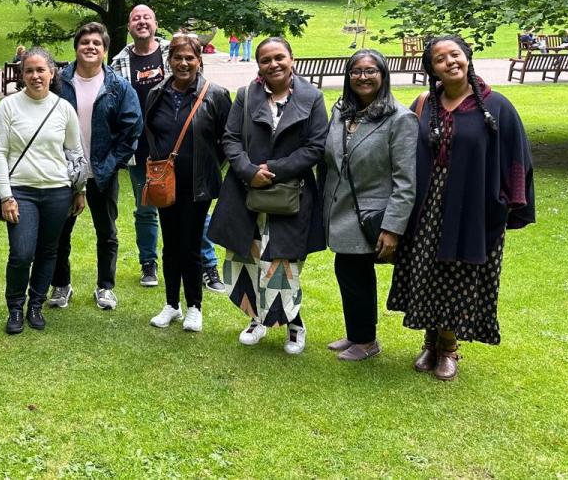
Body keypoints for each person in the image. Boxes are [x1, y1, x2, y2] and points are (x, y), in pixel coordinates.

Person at [388, 35, 534, 381]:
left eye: (455, 54)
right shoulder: (425, 103)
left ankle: (449, 346)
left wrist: (510, 203)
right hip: (428, 206)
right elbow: (405, 150)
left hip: (473, 206)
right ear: (432, 69)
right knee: (426, 270)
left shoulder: (497, 106)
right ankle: (430, 340)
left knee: (459, 273)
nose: (449, 62)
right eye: (440, 59)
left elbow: (518, 157)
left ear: (467, 57)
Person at [208, 37, 328, 355]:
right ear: (258, 64)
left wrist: (271, 169)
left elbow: (316, 146)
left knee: (283, 263)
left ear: (292, 59)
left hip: (291, 195)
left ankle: (294, 325)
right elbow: (230, 138)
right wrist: (249, 171)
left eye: (279, 57)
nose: (273, 64)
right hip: (247, 193)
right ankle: (256, 320)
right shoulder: (247, 95)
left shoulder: (312, 97)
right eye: (265, 59)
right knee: (247, 258)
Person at [110, 5, 226, 291]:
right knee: (147, 209)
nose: (141, 22)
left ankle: (208, 265)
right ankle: (148, 264)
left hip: (188, 151)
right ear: (129, 25)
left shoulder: (173, 50)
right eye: (135, 18)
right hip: (145, 153)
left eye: (146, 17)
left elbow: (201, 90)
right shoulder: (119, 62)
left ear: (155, 22)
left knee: (197, 212)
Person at [318, 50, 417, 361]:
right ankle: (356, 333)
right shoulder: (341, 112)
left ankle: (366, 341)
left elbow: (406, 180)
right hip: (340, 208)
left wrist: (392, 228)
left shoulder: (400, 119)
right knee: (349, 270)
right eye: (356, 71)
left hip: (371, 213)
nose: (363, 77)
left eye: (371, 70)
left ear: (383, 75)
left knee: (355, 271)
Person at [0, 47, 88, 334]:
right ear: (22, 75)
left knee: (48, 251)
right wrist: (6, 195)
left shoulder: (63, 108)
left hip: (58, 191)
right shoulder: (7, 107)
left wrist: (79, 189)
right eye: (29, 70)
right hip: (21, 191)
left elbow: (75, 151)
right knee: (21, 253)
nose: (35, 76)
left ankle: (36, 304)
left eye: (40, 70)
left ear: (51, 72)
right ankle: (15, 307)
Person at [142, 35, 231, 332]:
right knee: (169, 245)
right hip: (165, 182)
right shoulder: (156, 93)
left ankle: (194, 306)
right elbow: (150, 130)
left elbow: (226, 139)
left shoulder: (215, 95)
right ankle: (171, 304)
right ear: (169, 60)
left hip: (197, 185)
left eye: (189, 58)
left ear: (199, 60)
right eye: (177, 57)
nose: (183, 63)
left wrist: (208, 166)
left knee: (191, 245)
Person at [50, 22, 141, 311]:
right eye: (84, 42)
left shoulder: (118, 86)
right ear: (76, 47)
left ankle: (105, 286)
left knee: (107, 231)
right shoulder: (58, 82)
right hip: (63, 172)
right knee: (60, 232)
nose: (90, 47)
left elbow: (132, 129)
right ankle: (61, 285)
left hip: (103, 171)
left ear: (104, 50)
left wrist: (112, 164)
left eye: (96, 43)